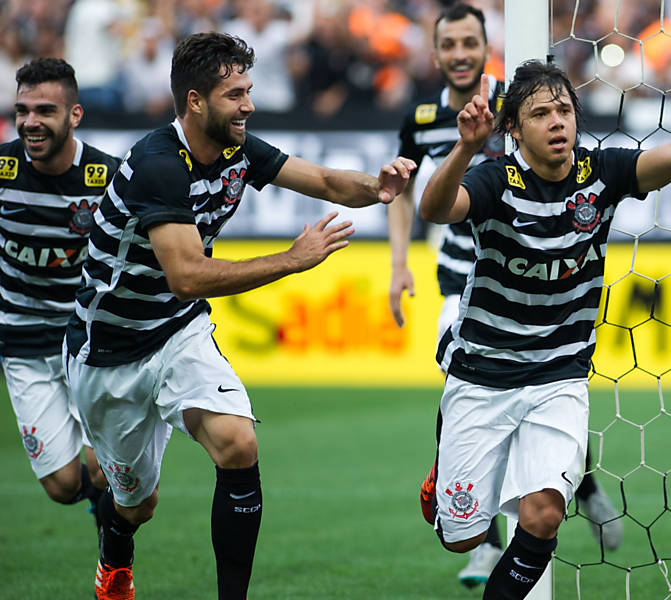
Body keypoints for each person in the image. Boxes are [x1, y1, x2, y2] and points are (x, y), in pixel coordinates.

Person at [63, 32, 415, 600]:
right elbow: (186, 276)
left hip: (176, 332)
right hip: (108, 351)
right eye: (235, 94)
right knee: (137, 503)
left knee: (238, 443)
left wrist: (379, 188)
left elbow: (324, 181)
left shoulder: (237, 149)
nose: (248, 104)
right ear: (196, 102)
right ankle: (115, 546)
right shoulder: (157, 163)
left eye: (248, 90)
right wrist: (291, 260)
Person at [417, 32, 671, 599]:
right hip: (482, 372)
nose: (557, 121)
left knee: (542, 516)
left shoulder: (602, 174)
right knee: (461, 540)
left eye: (564, 109)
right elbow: (436, 208)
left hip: (559, 376)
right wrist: (465, 148)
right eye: (540, 113)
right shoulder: (495, 181)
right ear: (513, 129)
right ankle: (444, 479)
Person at [390, 3, 623, 588]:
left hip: (538, 277)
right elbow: (406, 192)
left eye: (470, 42)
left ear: (485, 45)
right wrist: (398, 261)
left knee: (547, 378)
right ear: (437, 53)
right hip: (461, 277)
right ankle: (473, 523)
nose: (460, 54)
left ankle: (575, 483)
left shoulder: (517, 102)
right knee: (464, 371)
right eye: (449, 45)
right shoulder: (422, 117)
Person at [1, 57, 116, 538]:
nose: (30, 122)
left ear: (74, 115)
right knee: (63, 484)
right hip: (22, 345)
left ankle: (115, 546)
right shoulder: (2, 170)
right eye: (22, 110)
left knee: (105, 467)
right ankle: (100, 502)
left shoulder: (107, 177)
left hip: (87, 342)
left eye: (44, 110)